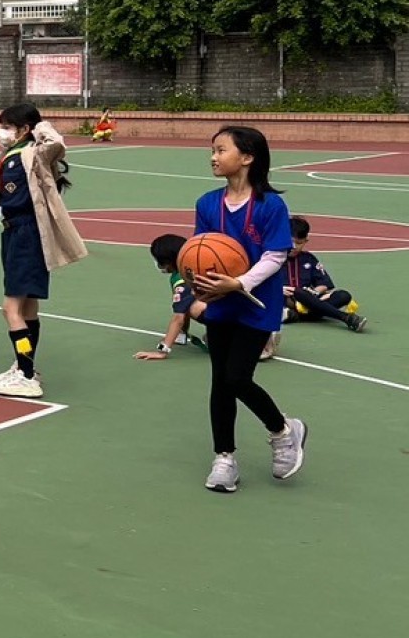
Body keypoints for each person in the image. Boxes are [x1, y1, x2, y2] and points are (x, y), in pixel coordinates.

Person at [188, 125, 306, 493]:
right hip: (221, 303)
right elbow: (199, 250)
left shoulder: (271, 205)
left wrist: (239, 283)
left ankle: (283, 430)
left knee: (237, 377)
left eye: (221, 150)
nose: (213, 157)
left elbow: (275, 256)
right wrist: (198, 285)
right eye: (212, 150)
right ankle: (224, 457)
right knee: (220, 381)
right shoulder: (207, 203)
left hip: (257, 304)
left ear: (248, 157)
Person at [0, 102, 87, 397]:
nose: (1, 132)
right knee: (28, 307)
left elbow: (56, 143)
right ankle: (23, 364)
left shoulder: (33, 153)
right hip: (14, 231)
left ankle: (26, 375)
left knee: (10, 308)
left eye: (7, 127)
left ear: (25, 129)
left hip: (26, 233)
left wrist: (40, 126)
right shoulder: (13, 153)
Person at [281, 215, 367, 334]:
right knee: (298, 292)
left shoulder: (309, 258)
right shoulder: (273, 257)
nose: (294, 247)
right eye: (291, 241)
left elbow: (323, 284)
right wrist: (279, 289)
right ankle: (345, 317)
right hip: (283, 298)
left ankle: (295, 316)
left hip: (308, 300)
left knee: (343, 295)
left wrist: (314, 293)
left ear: (306, 241)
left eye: (299, 243)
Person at [133, 233, 206, 360]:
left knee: (194, 308)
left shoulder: (182, 281)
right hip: (233, 311)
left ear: (168, 262)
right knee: (186, 304)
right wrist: (182, 333)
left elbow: (178, 318)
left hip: (230, 318)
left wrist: (162, 351)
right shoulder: (192, 267)